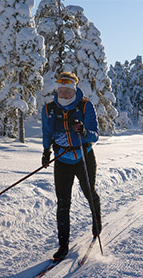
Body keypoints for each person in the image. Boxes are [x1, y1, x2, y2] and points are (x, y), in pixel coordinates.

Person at [40, 71, 102, 262]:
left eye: (68, 90)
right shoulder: (49, 109)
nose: (65, 94)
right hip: (62, 160)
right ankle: (63, 245)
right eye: (61, 90)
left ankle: (97, 224)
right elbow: (47, 132)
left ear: (74, 89)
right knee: (63, 202)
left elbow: (95, 135)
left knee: (89, 192)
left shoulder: (85, 106)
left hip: (84, 157)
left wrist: (84, 131)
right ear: (57, 89)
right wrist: (45, 151)